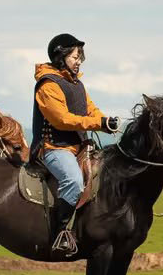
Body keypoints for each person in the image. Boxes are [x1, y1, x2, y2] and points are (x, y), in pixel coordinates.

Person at [32, 32, 120, 257]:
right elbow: (61, 119)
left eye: (80, 56)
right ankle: (59, 233)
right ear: (60, 57)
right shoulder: (48, 85)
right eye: (74, 56)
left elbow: (90, 110)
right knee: (73, 181)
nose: (79, 60)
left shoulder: (77, 84)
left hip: (79, 148)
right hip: (54, 148)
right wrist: (97, 123)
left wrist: (105, 121)